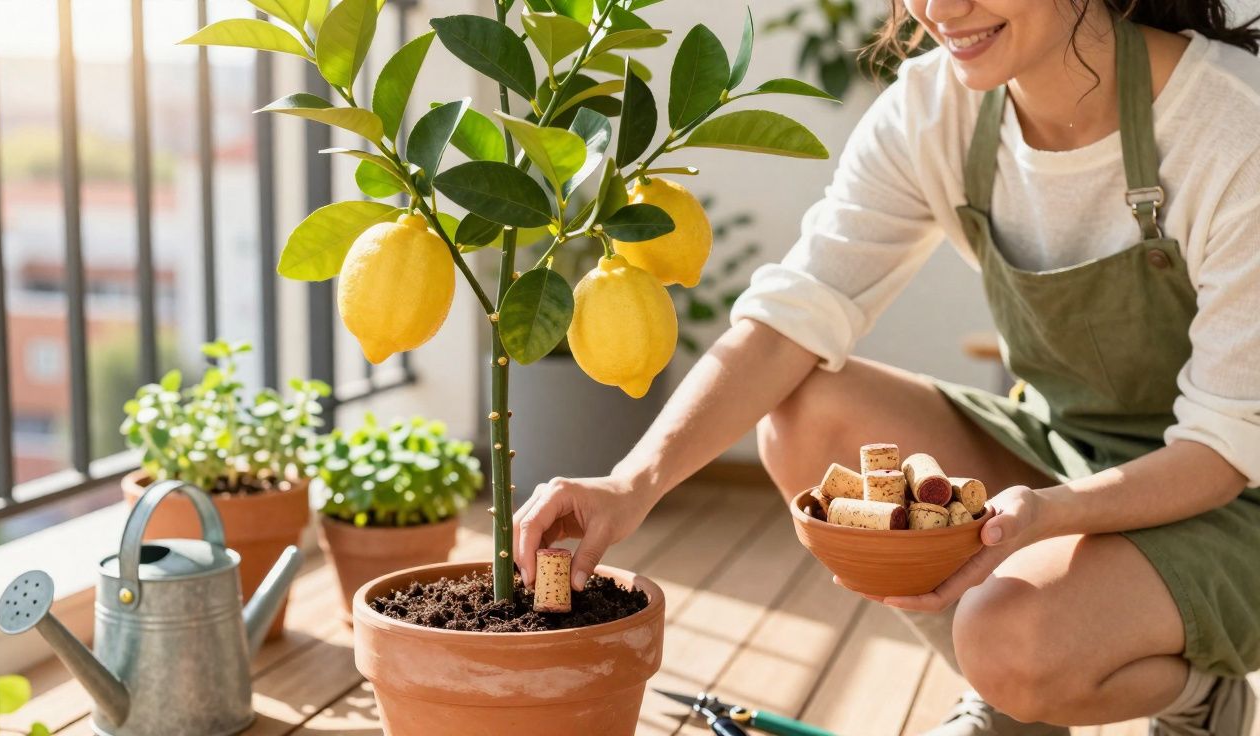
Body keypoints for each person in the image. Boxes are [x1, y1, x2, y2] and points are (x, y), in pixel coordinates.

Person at [513, 0, 1260, 734]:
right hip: (1063, 446)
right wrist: (633, 480)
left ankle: (1193, 700)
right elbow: (792, 315)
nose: (940, 9)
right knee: (806, 414)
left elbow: (1225, 445)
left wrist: (1053, 516)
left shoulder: (1229, 123)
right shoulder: (935, 110)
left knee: (1008, 636)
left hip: (1232, 494)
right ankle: (1011, 707)